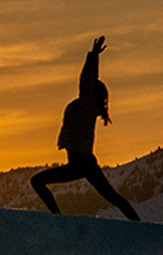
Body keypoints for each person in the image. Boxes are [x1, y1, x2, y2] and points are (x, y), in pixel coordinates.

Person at [30, 35, 140, 220]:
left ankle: (58, 218)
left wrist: (94, 55)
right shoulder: (87, 107)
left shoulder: (86, 105)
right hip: (79, 163)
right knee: (113, 197)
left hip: (82, 162)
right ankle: (58, 218)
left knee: (113, 197)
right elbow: (88, 82)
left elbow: (87, 78)